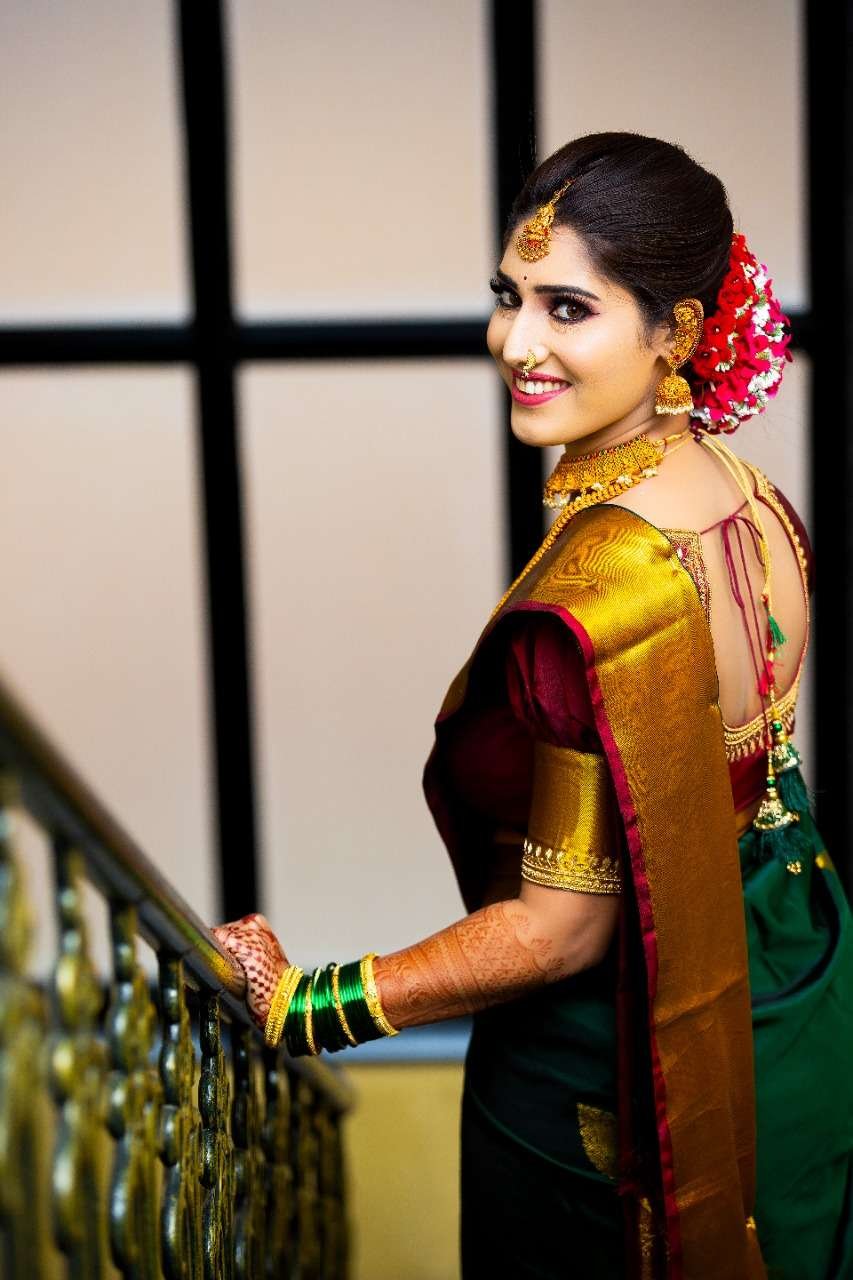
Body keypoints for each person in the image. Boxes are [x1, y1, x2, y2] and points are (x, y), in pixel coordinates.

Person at [211, 132, 853, 1278]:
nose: (515, 342)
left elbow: (564, 928)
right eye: (509, 297)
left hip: (614, 1057)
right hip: (785, 967)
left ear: (678, 333)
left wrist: (309, 1003)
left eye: (568, 309)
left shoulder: (611, 591)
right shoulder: (750, 495)